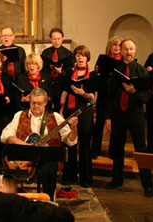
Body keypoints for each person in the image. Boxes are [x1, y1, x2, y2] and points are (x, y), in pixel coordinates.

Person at [1, 88, 78, 200]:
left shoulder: (55, 117)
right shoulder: (20, 115)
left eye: (39, 103)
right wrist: (23, 144)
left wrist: (74, 127)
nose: (36, 106)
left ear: (46, 102)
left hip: (47, 160)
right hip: (25, 159)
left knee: (50, 168)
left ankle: (49, 200)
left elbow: (71, 141)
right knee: (5, 169)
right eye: (33, 103)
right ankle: (14, 203)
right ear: (30, 101)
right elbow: (5, 135)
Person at [104, 39, 153, 197]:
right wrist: (108, 118)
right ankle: (117, 180)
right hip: (118, 114)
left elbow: (147, 96)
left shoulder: (141, 71)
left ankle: (147, 184)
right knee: (117, 148)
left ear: (135, 50)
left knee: (141, 149)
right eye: (126, 49)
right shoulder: (116, 70)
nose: (128, 52)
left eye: (131, 49)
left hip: (135, 114)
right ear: (121, 50)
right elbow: (110, 96)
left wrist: (134, 92)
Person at [59, 45, 96, 187]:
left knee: (85, 144)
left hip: (84, 111)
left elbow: (92, 97)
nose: (80, 58)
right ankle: (70, 176)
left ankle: (86, 178)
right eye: (78, 55)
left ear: (87, 58)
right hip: (69, 110)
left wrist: (82, 93)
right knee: (70, 143)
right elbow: (64, 92)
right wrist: (61, 110)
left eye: (83, 55)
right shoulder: (69, 72)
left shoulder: (92, 74)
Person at [91, 36, 123, 159]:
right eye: (114, 45)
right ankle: (95, 150)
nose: (116, 47)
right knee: (99, 123)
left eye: (119, 45)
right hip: (103, 94)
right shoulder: (103, 58)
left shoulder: (123, 61)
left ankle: (113, 151)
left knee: (115, 125)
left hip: (116, 96)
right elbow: (97, 74)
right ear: (109, 46)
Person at [41, 28, 73, 112]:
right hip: (48, 85)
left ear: (62, 38)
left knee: (60, 110)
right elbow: (42, 70)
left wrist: (61, 72)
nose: (56, 41)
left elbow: (71, 72)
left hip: (62, 86)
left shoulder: (68, 54)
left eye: (58, 39)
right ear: (51, 39)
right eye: (54, 39)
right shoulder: (45, 53)